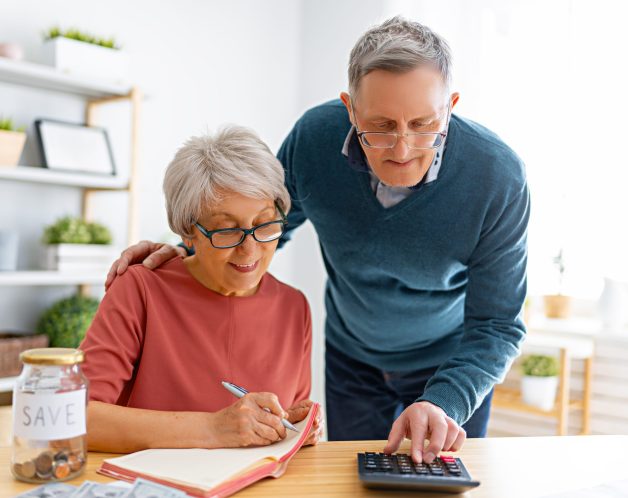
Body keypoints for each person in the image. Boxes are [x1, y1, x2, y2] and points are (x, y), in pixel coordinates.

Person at [106, 17, 529, 464]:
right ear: (350, 109)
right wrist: (189, 250)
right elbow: (263, 226)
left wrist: (444, 402)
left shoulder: (497, 177)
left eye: (423, 124)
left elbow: (498, 325)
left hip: (449, 363)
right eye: (381, 126)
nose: (402, 149)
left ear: (451, 106)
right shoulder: (314, 140)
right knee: (351, 484)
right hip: (352, 357)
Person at [81, 126, 322, 453]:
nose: (250, 250)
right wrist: (212, 429)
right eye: (226, 230)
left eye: (265, 223)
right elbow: (77, 416)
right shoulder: (140, 289)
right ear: (187, 230)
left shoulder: (294, 307)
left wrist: (295, 429)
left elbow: (284, 428)